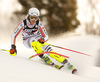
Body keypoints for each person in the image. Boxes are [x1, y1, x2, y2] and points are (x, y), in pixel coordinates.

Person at [9, 7, 77, 73]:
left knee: (50, 51)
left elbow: (46, 36)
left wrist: (43, 40)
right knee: (33, 40)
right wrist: (13, 47)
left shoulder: (38, 23)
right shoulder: (23, 23)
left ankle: (66, 63)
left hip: (38, 39)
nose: (34, 20)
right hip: (28, 41)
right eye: (32, 17)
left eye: (36, 18)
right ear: (28, 16)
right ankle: (43, 57)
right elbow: (14, 35)